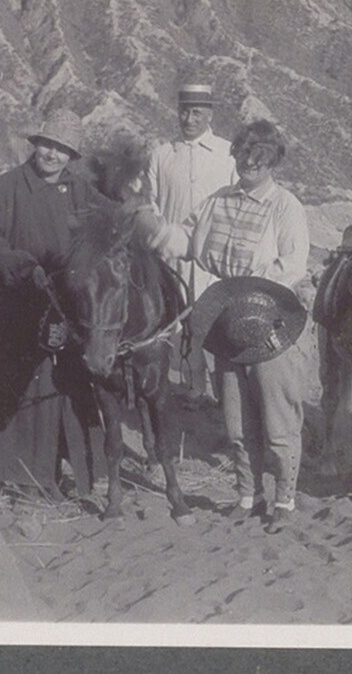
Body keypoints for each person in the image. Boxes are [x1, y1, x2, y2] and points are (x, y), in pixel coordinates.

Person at [140, 120, 310, 534]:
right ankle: (248, 496)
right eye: (244, 154)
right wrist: (153, 228)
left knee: (278, 421)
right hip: (226, 321)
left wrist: (250, 285)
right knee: (236, 420)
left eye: (260, 157)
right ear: (235, 156)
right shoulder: (218, 201)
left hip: (272, 320)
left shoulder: (285, 206)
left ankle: (285, 500)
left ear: (273, 162)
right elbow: (186, 240)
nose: (250, 163)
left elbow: (292, 264)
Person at [0, 109, 105, 499]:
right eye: (47, 145)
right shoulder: (8, 187)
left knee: (55, 392)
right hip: (9, 304)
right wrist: (23, 267)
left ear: (71, 156)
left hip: (61, 307)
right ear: (36, 144)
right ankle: (4, 475)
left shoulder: (81, 192)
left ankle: (48, 473)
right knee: (9, 389)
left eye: (62, 149)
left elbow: (102, 228)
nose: (52, 154)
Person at [148, 83, 238, 404]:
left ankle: (227, 399)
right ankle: (192, 389)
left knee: (214, 327)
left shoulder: (228, 155)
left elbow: (238, 204)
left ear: (210, 114)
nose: (189, 119)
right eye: (184, 112)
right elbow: (152, 205)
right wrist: (162, 242)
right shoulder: (162, 155)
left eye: (197, 112)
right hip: (171, 259)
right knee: (177, 328)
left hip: (214, 262)